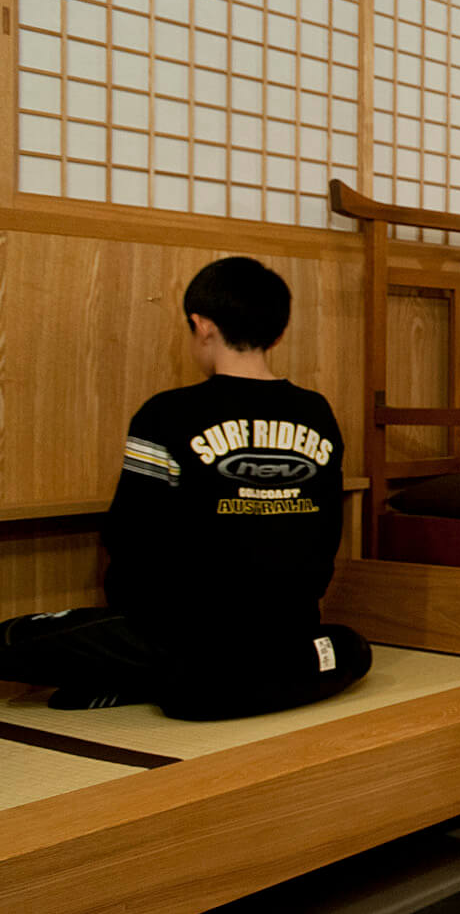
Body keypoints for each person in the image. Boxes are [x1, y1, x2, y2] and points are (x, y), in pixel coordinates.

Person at [0, 257, 371, 719]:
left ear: (201, 325)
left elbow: (130, 535)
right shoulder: (317, 412)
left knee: (16, 637)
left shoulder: (166, 413)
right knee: (348, 650)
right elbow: (325, 533)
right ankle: (188, 675)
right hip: (287, 628)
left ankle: (146, 674)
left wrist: (138, 614)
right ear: (277, 333)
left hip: (180, 632)